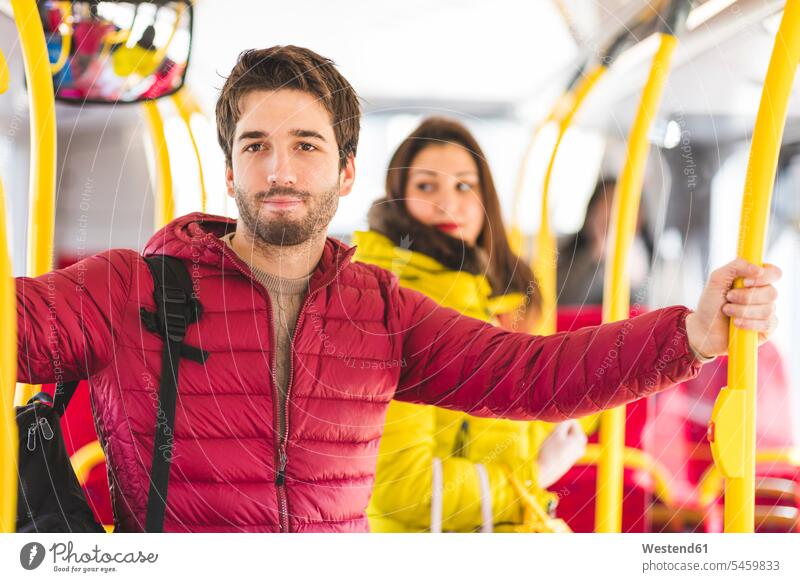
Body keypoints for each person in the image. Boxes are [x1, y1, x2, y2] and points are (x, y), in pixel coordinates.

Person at [14, 46, 780, 533]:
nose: (280, 171)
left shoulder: (381, 312)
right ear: (230, 169)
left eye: (305, 146)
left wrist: (692, 336)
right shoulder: (125, 291)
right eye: (257, 147)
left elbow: (533, 374)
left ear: (346, 172)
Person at [353, 117, 587, 532]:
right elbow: (404, 488)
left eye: (464, 185)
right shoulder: (389, 305)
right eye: (427, 187)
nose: (449, 202)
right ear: (399, 199)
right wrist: (534, 476)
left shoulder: (504, 293)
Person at [557, 177, 653, 306]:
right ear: (590, 219)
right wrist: (597, 256)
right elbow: (565, 300)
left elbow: (637, 306)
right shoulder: (570, 256)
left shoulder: (645, 263)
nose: (611, 218)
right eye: (602, 214)